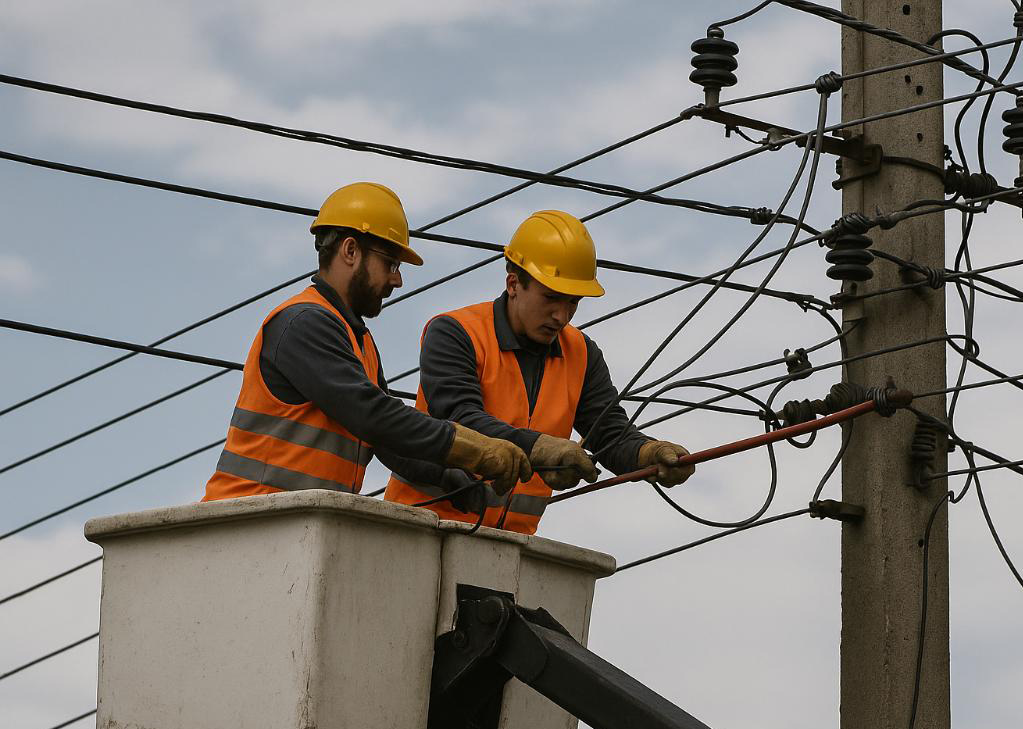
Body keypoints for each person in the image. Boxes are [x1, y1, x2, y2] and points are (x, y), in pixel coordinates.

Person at [202, 182, 531, 501]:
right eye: (390, 263)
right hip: (247, 526)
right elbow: (376, 417)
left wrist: (450, 479)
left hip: (291, 530)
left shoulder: (357, 340)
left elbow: (385, 441)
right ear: (350, 251)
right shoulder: (304, 323)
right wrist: (476, 449)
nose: (397, 279)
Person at [385, 209, 694, 534]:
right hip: (419, 529)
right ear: (513, 283)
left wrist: (647, 453)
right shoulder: (456, 333)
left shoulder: (582, 354)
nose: (562, 316)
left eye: (573, 302)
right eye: (551, 298)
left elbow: (609, 435)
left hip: (508, 545)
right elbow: (461, 418)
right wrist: (539, 447)